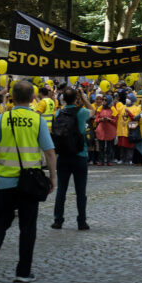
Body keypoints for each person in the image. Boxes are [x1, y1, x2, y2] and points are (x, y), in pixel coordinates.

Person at [0, 80, 57, 283]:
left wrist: (2, 153)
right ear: (33, 98)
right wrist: (53, 177)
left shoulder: (1, 119)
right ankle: (23, 271)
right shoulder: (37, 120)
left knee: (0, 223)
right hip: (29, 183)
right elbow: (49, 152)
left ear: (12, 97)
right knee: (27, 227)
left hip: (5, 181)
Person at [52, 86, 93, 230]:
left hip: (62, 155)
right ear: (77, 98)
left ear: (63, 99)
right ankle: (81, 221)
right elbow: (92, 111)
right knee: (81, 191)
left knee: (61, 190)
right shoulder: (81, 112)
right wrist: (84, 97)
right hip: (80, 155)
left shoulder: (58, 112)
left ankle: (58, 220)